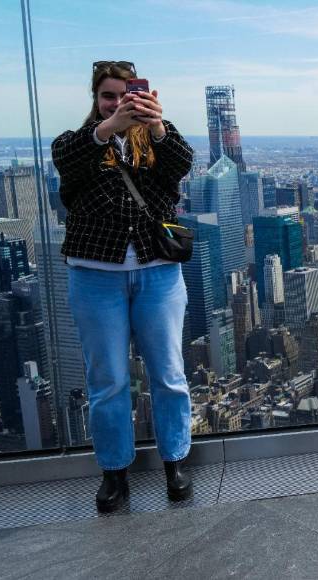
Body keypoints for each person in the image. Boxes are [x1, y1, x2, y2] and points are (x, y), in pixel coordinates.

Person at [52, 61, 195, 512]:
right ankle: (114, 471)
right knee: (108, 380)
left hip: (157, 273)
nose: (118, 103)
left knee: (169, 374)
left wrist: (155, 125)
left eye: (125, 95)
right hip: (95, 276)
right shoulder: (77, 144)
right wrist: (108, 127)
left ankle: (175, 461)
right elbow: (67, 163)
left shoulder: (157, 139)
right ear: (95, 101)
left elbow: (183, 165)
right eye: (108, 96)